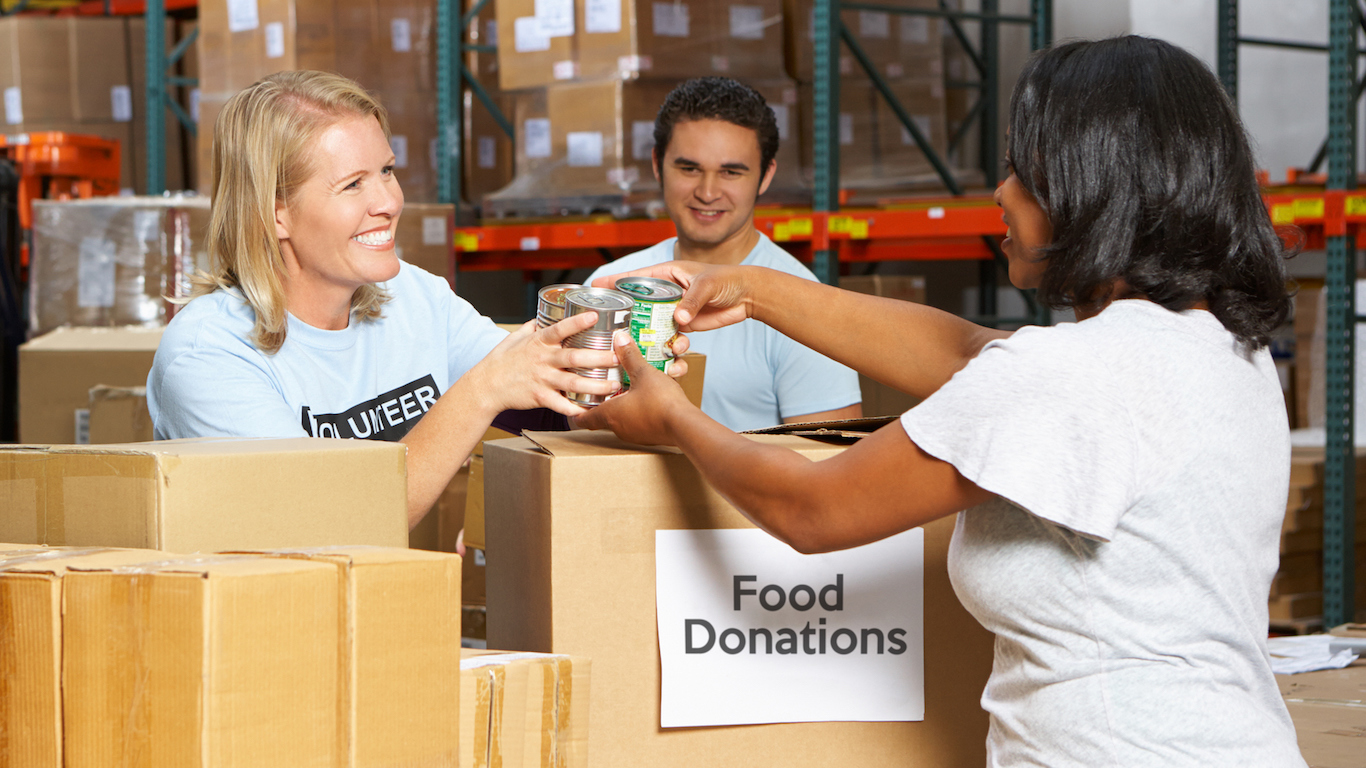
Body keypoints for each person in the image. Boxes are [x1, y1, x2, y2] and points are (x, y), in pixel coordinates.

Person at [582, 37, 1308, 767]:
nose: (1001, 193)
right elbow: (968, 355)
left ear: (1092, 185)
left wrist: (672, 418)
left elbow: (812, 510)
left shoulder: (1070, 375)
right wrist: (752, 289)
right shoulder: (1214, 349)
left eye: (1023, 170)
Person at [147, 71, 681, 530]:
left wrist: (618, 366)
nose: (389, 201)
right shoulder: (209, 355)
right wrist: (480, 392)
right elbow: (331, 528)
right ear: (274, 212)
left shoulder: (414, 296)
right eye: (353, 184)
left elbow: (554, 417)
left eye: (387, 170)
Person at [584, 77, 862, 432]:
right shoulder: (611, 285)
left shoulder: (803, 304)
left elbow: (832, 463)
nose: (708, 191)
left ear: (765, 177)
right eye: (689, 168)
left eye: (731, 172)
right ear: (657, 165)